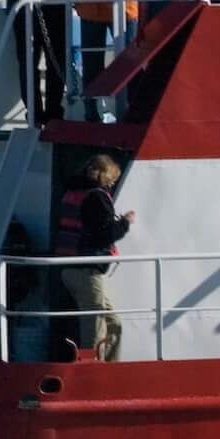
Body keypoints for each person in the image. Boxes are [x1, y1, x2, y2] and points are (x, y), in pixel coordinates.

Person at [54, 152, 132, 360]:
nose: (113, 183)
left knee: (113, 323)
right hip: (86, 272)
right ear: (105, 175)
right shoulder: (97, 197)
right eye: (113, 178)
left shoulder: (73, 190)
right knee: (95, 326)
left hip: (70, 269)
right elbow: (104, 235)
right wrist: (124, 222)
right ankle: (91, 369)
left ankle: (109, 369)